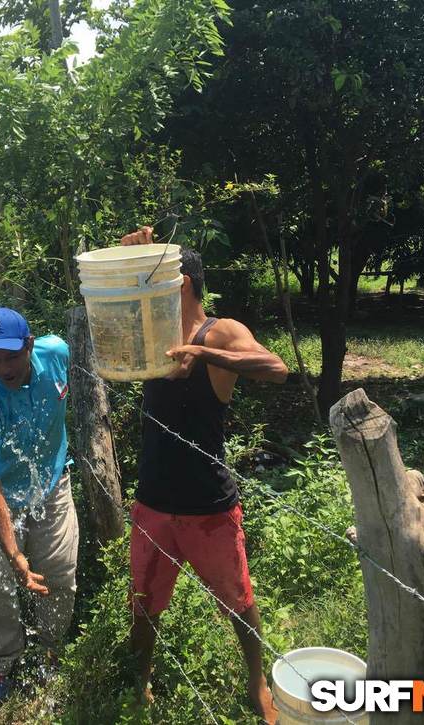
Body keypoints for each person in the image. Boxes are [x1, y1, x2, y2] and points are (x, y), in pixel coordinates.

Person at [121, 227, 288, 724]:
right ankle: (142, 677)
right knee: (144, 603)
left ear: (185, 283)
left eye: (160, 279)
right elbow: (111, 297)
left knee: (238, 601)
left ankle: (257, 682)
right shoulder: (152, 330)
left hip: (208, 504)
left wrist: (205, 355)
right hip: (153, 498)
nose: (148, 290)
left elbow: (274, 366)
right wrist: (136, 253)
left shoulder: (219, 332)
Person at [0, 307, 79, 705]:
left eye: (11, 356)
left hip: (52, 482)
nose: (4, 368)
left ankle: (51, 648)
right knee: (2, 587)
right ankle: (1, 662)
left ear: (29, 345)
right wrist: (14, 555)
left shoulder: (57, 352)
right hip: (2, 498)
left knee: (60, 573)